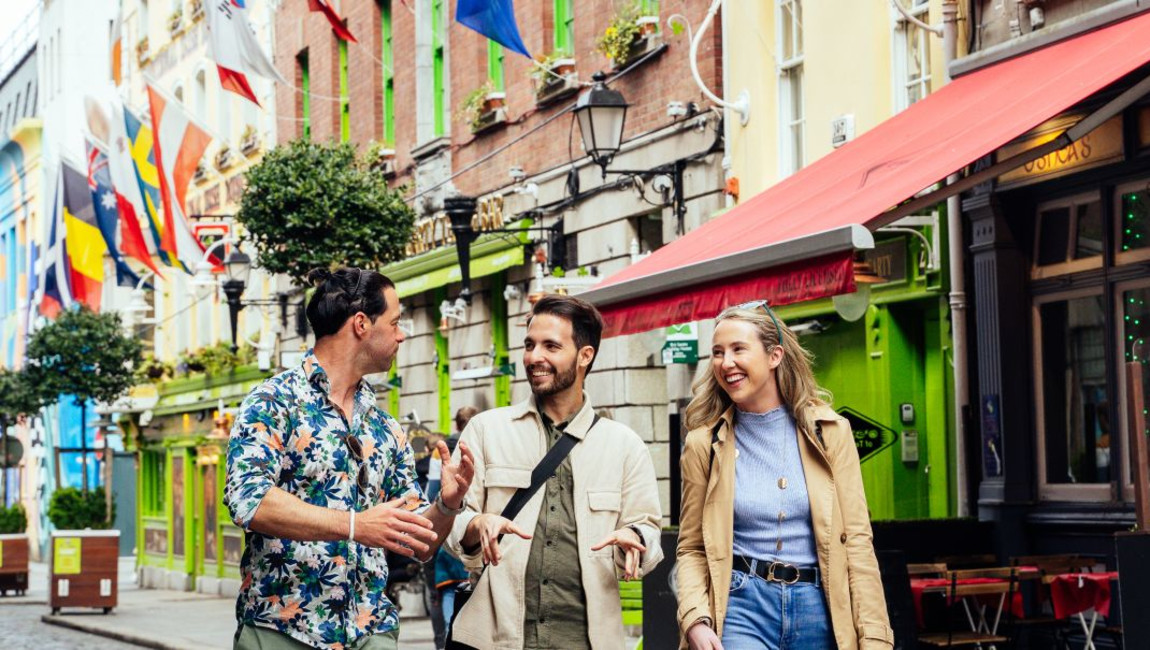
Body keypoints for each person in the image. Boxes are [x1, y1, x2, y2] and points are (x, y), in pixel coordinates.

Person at [225, 267, 475, 650]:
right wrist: (355, 525)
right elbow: (250, 501)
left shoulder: (386, 428)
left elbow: (418, 545)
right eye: (395, 323)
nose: (402, 334)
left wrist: (447, 504)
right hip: (283, 630)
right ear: (361, 324)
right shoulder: (272, 402)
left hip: (370, 632)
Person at [445, 294, 664, 649]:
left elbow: (649, 530)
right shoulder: (486, 430)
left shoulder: (624, 445)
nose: (534, 357)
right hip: (494, 639)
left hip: (585, 641)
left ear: (585, 355)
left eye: (550, 346)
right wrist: (475, 524)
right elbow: (454, 525)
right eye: (529, 345)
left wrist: (636, 540)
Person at [676, 301, 894, 650]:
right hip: (740, 605)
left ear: (774, 355)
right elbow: (691, 546)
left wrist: (875, 638)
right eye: (717, 352)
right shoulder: (704, 443)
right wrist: (695, 619)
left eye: (738, 349)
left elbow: (856, 541)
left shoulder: (831, 432)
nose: (725, 362)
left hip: (820, 606)